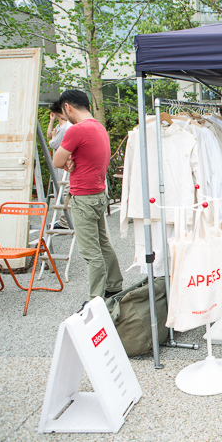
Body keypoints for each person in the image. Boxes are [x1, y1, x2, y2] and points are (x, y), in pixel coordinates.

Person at [52, 90, 123, 305]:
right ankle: (114, 285)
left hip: (83, 196)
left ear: (68, 107)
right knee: (103, 243)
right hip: (99, 193)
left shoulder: (77, 130)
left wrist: (66, 162)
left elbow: (56, 160)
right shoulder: (99, 127)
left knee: (90, 251)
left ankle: (96, 298)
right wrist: (70, 162)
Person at [47, 101, 72, 229]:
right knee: (63, 190)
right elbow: (48, 135)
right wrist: (51, 122)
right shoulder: (61, 126)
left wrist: (52, 137)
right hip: (62, 161)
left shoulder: (64, 128)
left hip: (63, 161)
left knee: (64, 190)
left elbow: (53, 143)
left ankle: (65, 221)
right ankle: (65, 220)